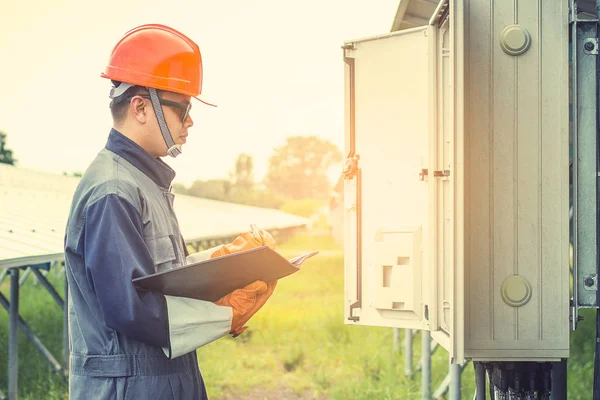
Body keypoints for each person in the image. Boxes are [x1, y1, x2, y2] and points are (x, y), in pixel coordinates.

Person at [63, 24, 276, 399]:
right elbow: (133, 308)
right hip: (129, 387)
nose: (190, 121)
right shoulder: (113, 190)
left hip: (164, 381)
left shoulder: (145, 182)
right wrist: (228, 315)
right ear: (141, 107)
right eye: (182, 108)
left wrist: (226, 263)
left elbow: (159, 279)